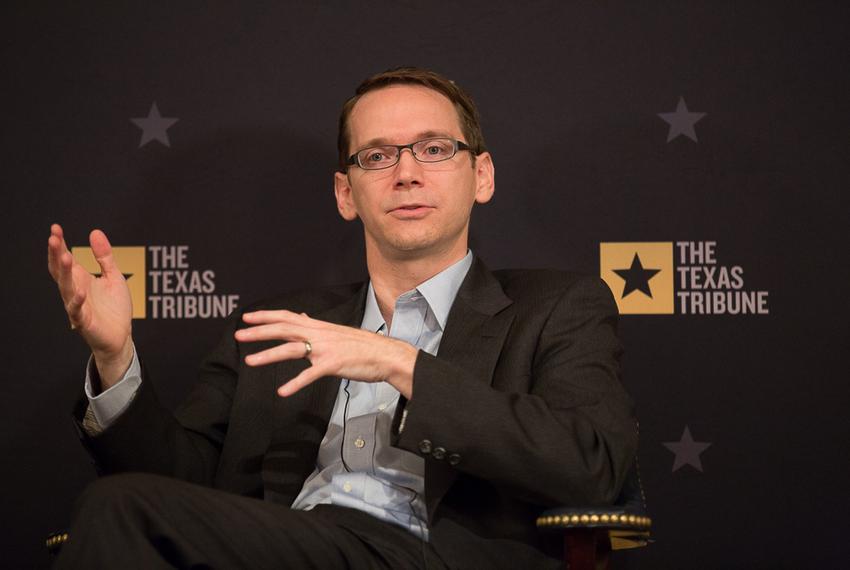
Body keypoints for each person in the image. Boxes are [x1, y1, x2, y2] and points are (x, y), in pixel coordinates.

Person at [47, 67, 637, 569]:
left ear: (480, 176)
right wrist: (115, 357)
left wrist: (402, 365)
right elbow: (175, 487)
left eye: (434, 149)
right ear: (345, 193)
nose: (407, 173)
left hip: (427, 554)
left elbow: (592, 465)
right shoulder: (278, 324)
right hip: (287, 542)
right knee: (121, 508)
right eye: (377, 156)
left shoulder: (556, 307)